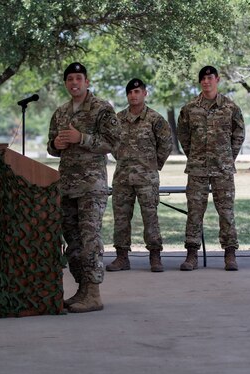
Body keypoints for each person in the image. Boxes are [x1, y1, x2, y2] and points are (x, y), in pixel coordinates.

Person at [47, 62, 120, 313]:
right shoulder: (61, 112)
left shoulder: (101, 109)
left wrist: (82, 138)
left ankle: (94, 293)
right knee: (73, 240)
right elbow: (51, 146)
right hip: (66, 185)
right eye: (70, 79)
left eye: (79, 78)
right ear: (66, 84)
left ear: (87, 82)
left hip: (91, 186)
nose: (74, 83)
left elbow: (113, 142)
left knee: (90, 239)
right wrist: (56, 143)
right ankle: (82, 290)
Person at [177, 65, 245, 271]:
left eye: (210, 78)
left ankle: (230, 254)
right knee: (194, 213)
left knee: (226, 213)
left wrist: (227, 158)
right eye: (203, 79)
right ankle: (191, 255)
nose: (206, 82)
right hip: (197, 169)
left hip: (222, 169)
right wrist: (195, 156)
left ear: (217, 79)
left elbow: (238, 135)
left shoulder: (230, 107)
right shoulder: (189, 109)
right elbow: (183, 136)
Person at [106, 78, 172, 273]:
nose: (133, 95)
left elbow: (166, 144)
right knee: (121, 218)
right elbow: (111, 143)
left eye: (137, 92)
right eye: (130, 92)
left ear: (145, 93)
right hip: (122, 178)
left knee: (150, 217)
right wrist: (121, 157)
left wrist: (153, 165)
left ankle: (155, 256)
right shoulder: (117, 119)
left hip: (147, 179)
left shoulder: (155, 119)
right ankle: (122, 257)